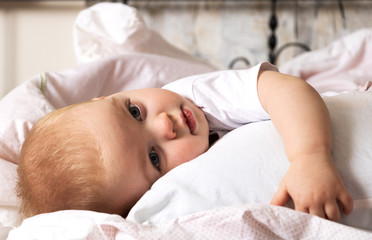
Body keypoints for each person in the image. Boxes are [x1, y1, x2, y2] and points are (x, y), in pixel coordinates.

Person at [16, 62, 353, 221]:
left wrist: (310, 155)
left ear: (106, 96)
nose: (165, 124)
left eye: (134, 111)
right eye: (154, 158)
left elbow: (284, 88)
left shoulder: (194, 96)